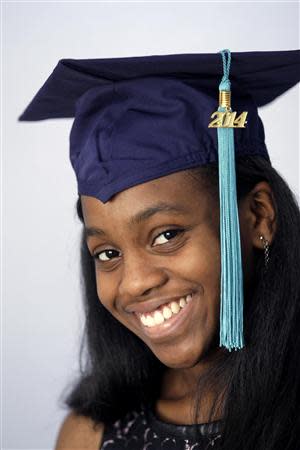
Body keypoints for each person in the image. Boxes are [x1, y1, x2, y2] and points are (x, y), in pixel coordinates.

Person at [19, 49, 300, 449]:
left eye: (166, 235)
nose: (133, 285)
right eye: (107, 254)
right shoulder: (91, 435)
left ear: (258, 217)